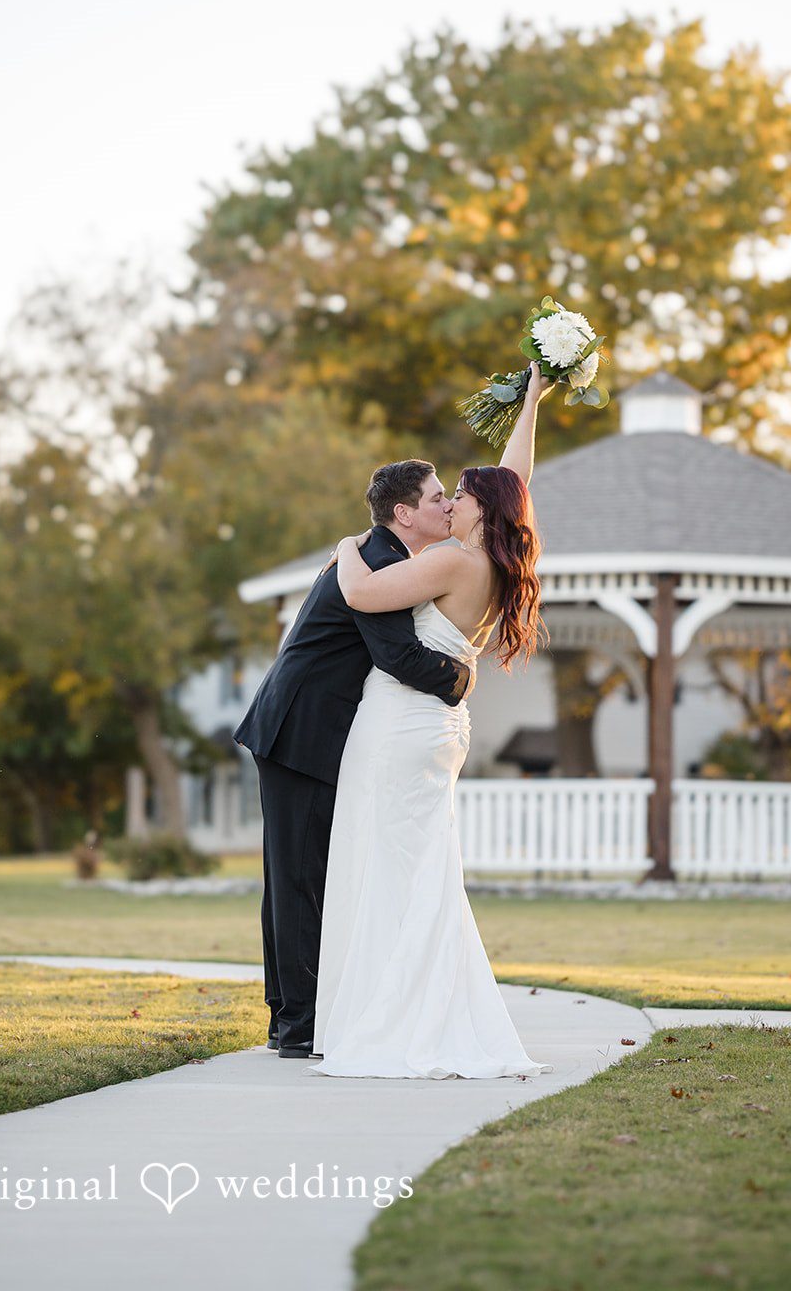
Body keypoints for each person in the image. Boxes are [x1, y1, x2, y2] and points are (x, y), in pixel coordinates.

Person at [311, 361, 554, 1079]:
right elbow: (516, 479)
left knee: (383, 868)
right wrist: (531, 401)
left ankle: (386, 1020)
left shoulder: (453, 562)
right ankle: (422, 1009)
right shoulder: (497, 564)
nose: (451, 503)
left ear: (480, 512)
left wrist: (347, 547)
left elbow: (361, 594)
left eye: (461, 496)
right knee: (424, 874)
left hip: (399, 726)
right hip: (440, 731)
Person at [233, 460, 473, 1057]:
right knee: (299, 878)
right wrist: (461, 678)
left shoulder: (373, 555)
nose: (448, 506)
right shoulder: (381, 564)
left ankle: (287, 1017)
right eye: (437, 498)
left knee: (293, 876)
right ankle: (298, 1026)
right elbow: (398, 657)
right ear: (404, 513)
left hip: (299, 728)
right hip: (301, 734)